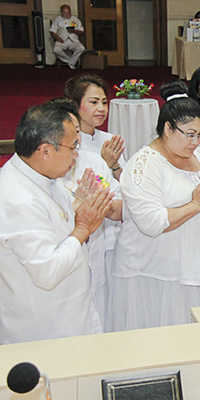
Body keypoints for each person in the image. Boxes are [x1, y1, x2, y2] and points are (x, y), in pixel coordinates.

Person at [111, 82, 200, 331]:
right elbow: (152, 223)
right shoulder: (145, 164)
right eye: (189, 134)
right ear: (168, 129)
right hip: (152, 272)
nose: (196, 142)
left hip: (195, 266)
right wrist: (196, 204)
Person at [0, 101, 113, 344]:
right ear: (45, 151)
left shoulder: (41, 177)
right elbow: (47, 272)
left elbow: (54, 225)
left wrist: (79, 205)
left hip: (67, 316)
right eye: (73, 147)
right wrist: (83, 228)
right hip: (45, 328)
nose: (76, 155)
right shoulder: (19, 199)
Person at [52, 98, 122, 330]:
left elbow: (119, 205)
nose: (79, 140)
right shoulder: (45, 172)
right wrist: (79, 205)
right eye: (72, 136)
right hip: (61, 273)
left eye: (79, 132)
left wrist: (104, 205)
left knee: (97, 324)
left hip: (94, 261)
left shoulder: (93, 162)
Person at [64, 74, 126, 181]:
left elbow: (126, 183)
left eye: (104, 102)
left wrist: (115, 165)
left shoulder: (109, 140)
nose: (101, 108)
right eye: (94, 102)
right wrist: (105, 163)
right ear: (75, 104)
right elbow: (73, 185)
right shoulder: (67, 143)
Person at [49, 4, 85, 69]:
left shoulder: (75, 20)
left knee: (81, 48)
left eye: (68, 12)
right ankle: (70, 61)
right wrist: (58, 38)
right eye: (65, 13)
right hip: (62, 40)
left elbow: (82, 31)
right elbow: (52, 31)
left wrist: (74, 31)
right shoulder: (57, 19)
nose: (67, 14)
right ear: (61, 12)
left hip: (73, 40)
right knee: (55, 50)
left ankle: (71, 62)